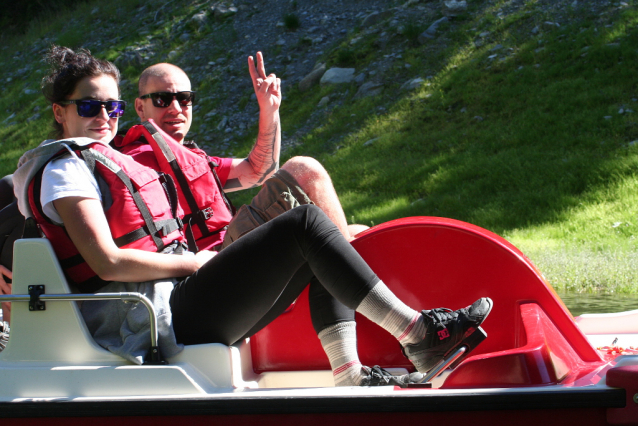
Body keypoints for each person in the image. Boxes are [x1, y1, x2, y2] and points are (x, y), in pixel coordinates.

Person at [13, 46, 493, 387]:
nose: (104, 117)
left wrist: (270, 112)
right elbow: (108, 264)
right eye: (90, 106)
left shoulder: (106, 161)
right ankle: (419, 334)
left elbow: (255, 168)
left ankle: (352, 376)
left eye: (110, 106)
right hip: (154, 318)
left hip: (177, 300)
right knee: (305, 227)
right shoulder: (66, 171)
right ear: (60, 112)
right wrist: (197, 263)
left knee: (317, 229)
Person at [131, 55, 368, 250]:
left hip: (230, 246)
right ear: (140, 107)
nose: (176, 108)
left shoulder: (191, 159)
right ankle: (351, 287)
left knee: (360, 233)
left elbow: (260, 172)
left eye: (184, 99)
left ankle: (352, 290)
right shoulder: (133, 163)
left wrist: (269, 110)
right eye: (162, 99)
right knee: (305, 170)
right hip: (210, 262)